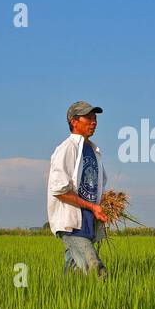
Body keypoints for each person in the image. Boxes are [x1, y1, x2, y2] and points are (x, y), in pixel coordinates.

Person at [47, 101, 110, 276]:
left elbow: (98, 185)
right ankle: (105, 298)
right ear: (74, 121)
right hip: (71, 222)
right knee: (94, 267)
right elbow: (59, 190)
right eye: (88, 118)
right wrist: (92, 207)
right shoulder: (67, 149)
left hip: (88, 222)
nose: (94, 122)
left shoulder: (92, 150)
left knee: (74, 271)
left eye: (95, 118)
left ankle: (65, 300)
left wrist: (103, 205)